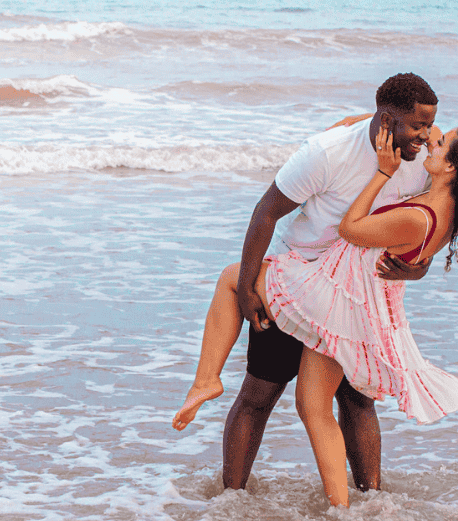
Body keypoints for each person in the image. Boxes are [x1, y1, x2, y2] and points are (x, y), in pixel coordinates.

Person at [174, 119, 458, 506]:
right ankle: (342, 510)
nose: (431, 142)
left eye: (441, 142)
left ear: (452, 165)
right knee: (312, 407)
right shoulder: (443, 208)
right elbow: (414, 243)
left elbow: (352, 229)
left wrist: (383, 174)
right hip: (357, 303)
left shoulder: (419, 213)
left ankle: (206, 380)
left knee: (233, 279)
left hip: (333, 296)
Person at [183, 74, 441, 493]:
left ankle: (370, 503)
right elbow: (267, 211)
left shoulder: (422, 166)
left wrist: (417, 269)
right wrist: (249, 288)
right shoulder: (327, 152)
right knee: (260, 393)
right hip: (296, 284)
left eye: (430, 126)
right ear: (388, 118)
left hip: (356, 297)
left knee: (357, 401)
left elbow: (426, 232)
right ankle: (232, 500)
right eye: (418, 126)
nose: (426, 137)